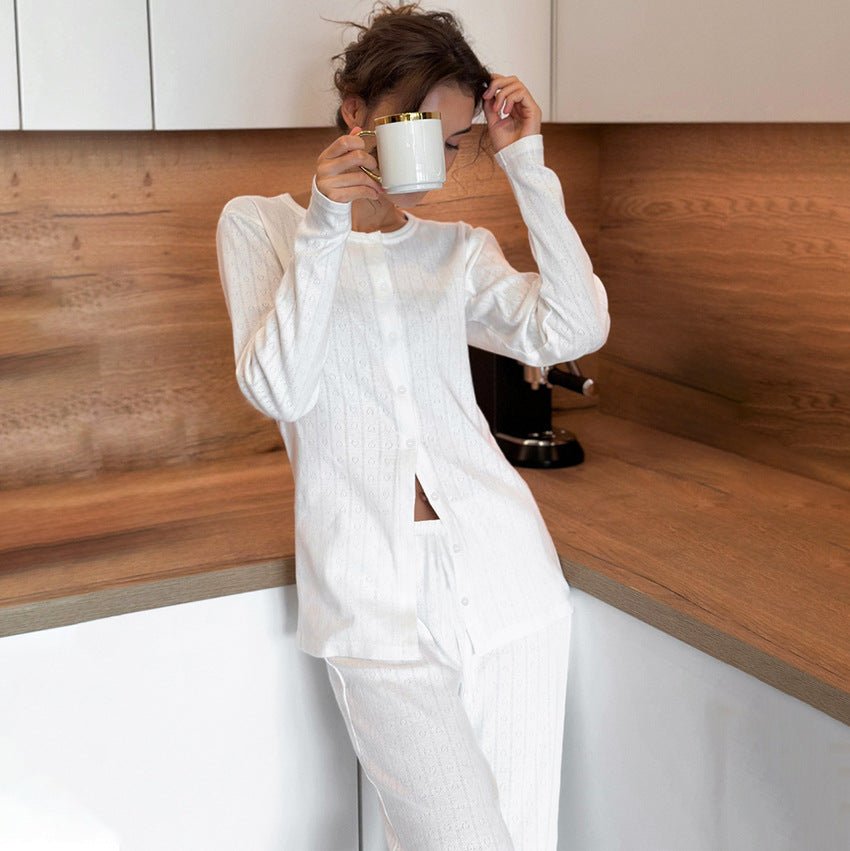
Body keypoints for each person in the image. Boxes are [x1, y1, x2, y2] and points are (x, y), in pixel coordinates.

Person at [216, 4, 609, 848]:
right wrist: (327, 222)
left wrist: (526, 163)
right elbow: (279, 388)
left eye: (455, 138)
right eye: (417, 126)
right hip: (374, 605)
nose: (439, 153)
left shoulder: (455, 250)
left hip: (510, 583)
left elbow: (573, 327)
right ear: (357, 114)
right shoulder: (262, 227)